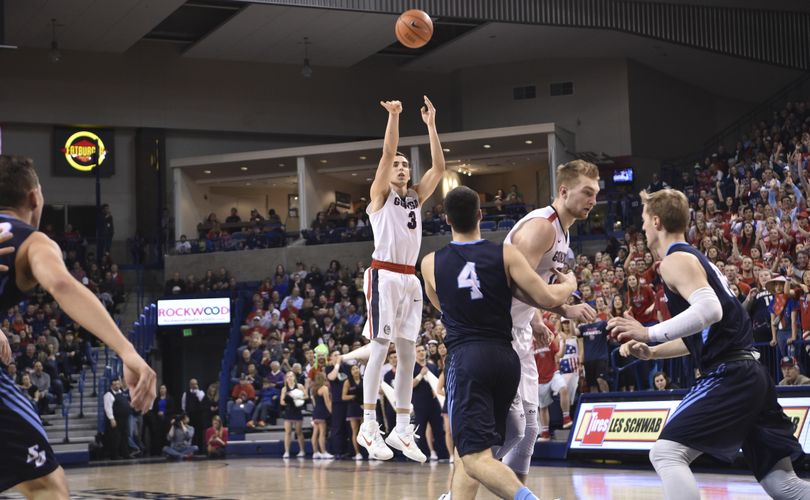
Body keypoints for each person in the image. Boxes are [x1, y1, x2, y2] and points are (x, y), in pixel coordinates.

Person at [609, 188, 809, 500]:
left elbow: (709, 311)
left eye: (645, 221)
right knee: (784, 485)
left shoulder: (675, 260)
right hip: (750, 374)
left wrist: (648, 333)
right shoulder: (693, 260)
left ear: (657, 221)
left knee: (666, 453)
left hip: (731, 375)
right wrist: (652, 352)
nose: (643, 228)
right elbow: (705, 333)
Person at [0, 156, 156, 499]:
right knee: (47, 486)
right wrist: (127, 351)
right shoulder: (31, 241)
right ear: (35, 198)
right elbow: (62, 285)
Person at [421, 186, 578, 500]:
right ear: (481, 215)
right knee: (485, 448)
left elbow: (442, 304)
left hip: (467, 358)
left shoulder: (430, 263)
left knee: (472, 455)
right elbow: (544, 297)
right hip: (506, 358)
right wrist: (571, 284)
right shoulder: (505, 254)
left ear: (447, 220)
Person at [349, 96, 446, 463]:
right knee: (379, 348)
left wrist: (431, 125)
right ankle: (369, 425)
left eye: (407, 164)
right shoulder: (379, 195)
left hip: (410, 279)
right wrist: (394, 118)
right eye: (398, 164)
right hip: (384, 275)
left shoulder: (416, 197)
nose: (402, 167)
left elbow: (438, 166)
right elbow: (388, 150)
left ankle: (402, 429)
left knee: (407, 354)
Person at [500, 160, 599, 481]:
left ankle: (516, 494)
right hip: (499, 334)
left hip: (520, 332)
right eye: (587, 192)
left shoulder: (562, 232)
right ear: (564, 190)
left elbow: (527, 287)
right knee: (505, 430)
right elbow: (513, 284)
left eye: (596, 194)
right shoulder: (542, 226)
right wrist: (566, 306)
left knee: (528, 430)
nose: (592, 201)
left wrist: (535, 322)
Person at [280, 371, 306, 458]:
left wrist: (297, 398)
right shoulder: (284, 389)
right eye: (288, 376)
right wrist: (289, 401)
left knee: (299, 432)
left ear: (294, 377)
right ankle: (286, 451)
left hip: (297, 410)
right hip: (289, 411)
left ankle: (302, 450)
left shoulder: (299, 386)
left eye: (291, 376)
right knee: (288, 432)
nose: (290, 378)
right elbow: (282, 402)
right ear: (286, 379)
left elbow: (306, 396)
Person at [342, 364, 365, 460]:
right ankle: (357, 453)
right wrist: (353, 396)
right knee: (355, 430)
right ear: (350, 372)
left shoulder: (364, 380)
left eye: (356, 368)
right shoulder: (348, 382)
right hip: (353, 407)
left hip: (364, 407)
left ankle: (369, 452)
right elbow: (343, 397)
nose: (355, 370)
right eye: (353, 369)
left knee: (365, 430)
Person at [310, 371, 333, 459]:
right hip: (322, 412)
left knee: (315, 433)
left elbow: (314, 403)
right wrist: (331, 412)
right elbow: (327, 402)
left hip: (316, 412)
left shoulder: (313, 389)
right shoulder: (324, 388)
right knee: (322, 433)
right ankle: (323, 452)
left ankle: (315, 452)